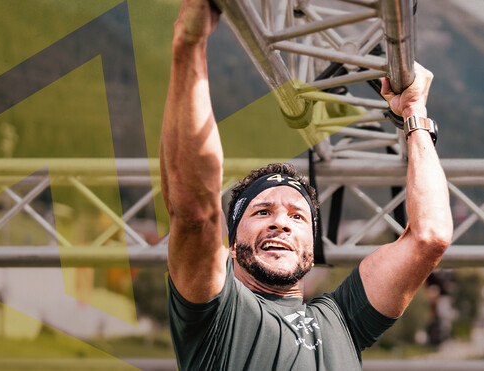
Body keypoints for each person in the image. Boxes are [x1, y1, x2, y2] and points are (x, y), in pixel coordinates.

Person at [160, 0, 452, 369]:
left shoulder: (344, 319)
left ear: (313, 247)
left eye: (298, 216)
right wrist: (189, 45)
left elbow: (430, 237)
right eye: (262, 211)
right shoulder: (216, 314)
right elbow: (194, 211)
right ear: (231, 245)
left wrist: (414, 113)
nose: (280, 223)